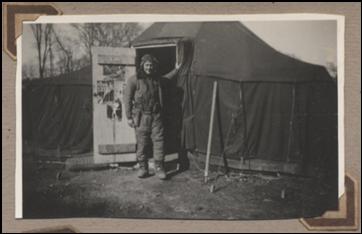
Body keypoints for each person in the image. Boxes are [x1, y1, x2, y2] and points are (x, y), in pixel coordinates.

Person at [123, 54, 166, 180]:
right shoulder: (133, 80)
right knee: (142, 142)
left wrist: (177, 69)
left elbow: (167, 78)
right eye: (147, 65)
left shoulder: (156, 79)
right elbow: (127, 99)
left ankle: (159, 168)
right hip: (141, 117)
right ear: (142, 66)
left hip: (156, 116)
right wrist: (129, 117)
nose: (149, 68)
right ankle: (143, 167)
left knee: (159, 141)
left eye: (151, 65)